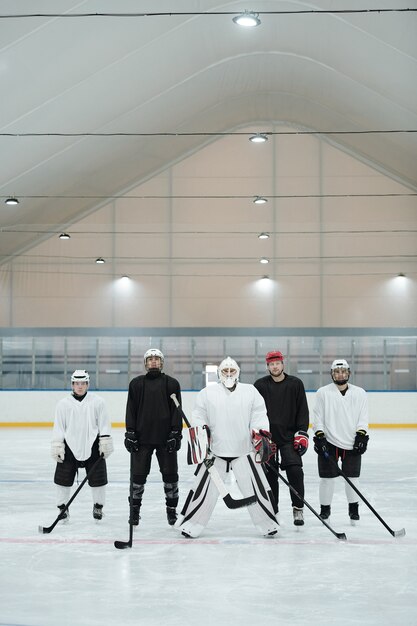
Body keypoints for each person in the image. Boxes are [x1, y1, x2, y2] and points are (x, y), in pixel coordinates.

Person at [175, 357, 279, 539]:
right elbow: (199, 415)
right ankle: (192, 524)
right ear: (219, 373)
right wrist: (202, 438)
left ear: (238, 372)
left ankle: (268, 523)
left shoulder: (250, 391)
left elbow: (259, 415)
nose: (229, 374)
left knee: (257, 487)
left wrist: (259, 435)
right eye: (225, 371)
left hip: (244, 451)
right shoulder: (207, 393)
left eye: (232, 371)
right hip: (216, 452)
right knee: (203, 490)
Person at [124, 348, 182, 526]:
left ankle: (171, 511)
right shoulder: (136, 384)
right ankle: (135, 511)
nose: (154, 362)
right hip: (141, 440)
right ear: (145, 363)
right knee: (138, 477)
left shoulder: (172, 384)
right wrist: (130, 432)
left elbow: (177, 411)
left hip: (166, 439)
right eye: (150, 360)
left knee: (171, 476)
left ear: (162, 362)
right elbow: (130, 410)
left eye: (157, 359)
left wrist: (175, 433)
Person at [254, 350, 310, 526]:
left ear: (283, 364)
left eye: (277, 363)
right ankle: (272, 509)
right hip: (267, 438)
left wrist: (301, 433)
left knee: (295, 471)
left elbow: (303, 410)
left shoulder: (295, 384)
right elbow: (254, 411)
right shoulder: (260, 385)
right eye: (271, 364)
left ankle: (298, 509)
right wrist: (256, 433)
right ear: (267, 366)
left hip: (289, 438)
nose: (275, 366)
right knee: (270, 474)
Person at [51, 370, 114, 521]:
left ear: (87, 384)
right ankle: (62, 508)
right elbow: (58, 427)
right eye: (77, 383)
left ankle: (98, 507)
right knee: (62, 480)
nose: (80, 386)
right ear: (72, 385)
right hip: (69, 447)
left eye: (83, 383)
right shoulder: (63, 404)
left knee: (98, 480)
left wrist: (104, 441)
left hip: (92, 445)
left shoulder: (98, 402)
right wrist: (57, 445)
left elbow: (104, 424)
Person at [311, 359, 369, 521]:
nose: (340, 374)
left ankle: (353, 509)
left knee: (352, 478)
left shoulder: (360, 393)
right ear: (332, 374)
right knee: (327, 479)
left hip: (352, 442)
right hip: (328, 442)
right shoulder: (323, 392)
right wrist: (320, 436)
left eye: (343, 371)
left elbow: (363, 417)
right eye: (337, 372)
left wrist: (361, 435)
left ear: (349, 373)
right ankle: (325, 509)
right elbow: (318, 417)